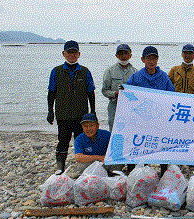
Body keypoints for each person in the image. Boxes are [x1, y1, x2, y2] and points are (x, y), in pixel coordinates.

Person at [47, 40, 95, 174]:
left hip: (81, 116)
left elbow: (90, 92)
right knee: (63, 141)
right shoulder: (56, 71)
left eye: (75, 52)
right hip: (63, 115)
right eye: (69, 52)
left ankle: (84, 168)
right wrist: (50, 111)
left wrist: (93, 111)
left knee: (83, 141)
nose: (72, 55)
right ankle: (60, 166)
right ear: (64, 53)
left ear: (79, 54)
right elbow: (51, 92)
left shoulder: (85, 72)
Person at [126, 45, 175, 175]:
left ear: (157, 60)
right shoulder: (136, 76)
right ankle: (138, 172)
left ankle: (164, 172)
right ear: (143, 59)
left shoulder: (163, 77)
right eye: (148, 58)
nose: (151, 61)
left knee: (161, 144)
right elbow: (129, 95)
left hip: (159, 119)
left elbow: (172, 95)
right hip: (141, 119)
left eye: (154, 58)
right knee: (140, 144)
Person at [102, 44, 138, 132]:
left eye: (126, 53)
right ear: (116, 56)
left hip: (131, 107)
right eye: (121, 54)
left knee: (130, 129)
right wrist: (115, 93)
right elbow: (104, 91)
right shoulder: (109, 71)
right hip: (114, 106)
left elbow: (139, 91)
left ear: (130, 55)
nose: (124, 56)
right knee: (114, 129)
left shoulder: (136, 72)